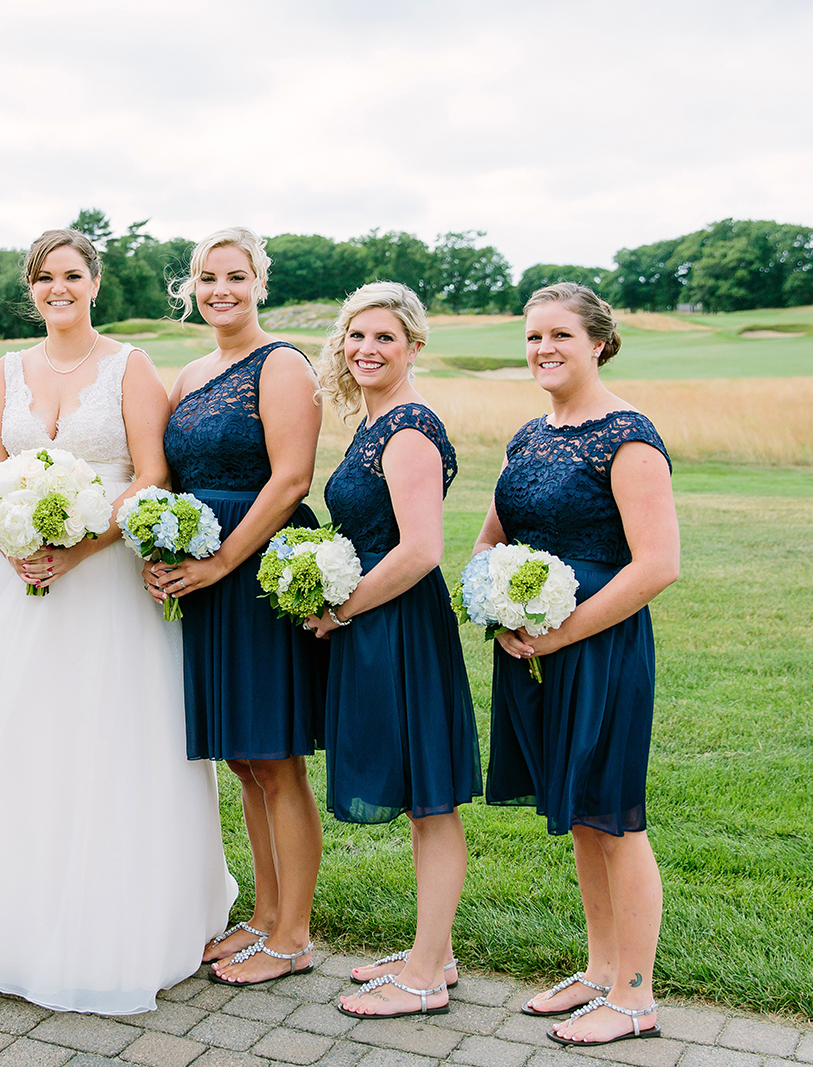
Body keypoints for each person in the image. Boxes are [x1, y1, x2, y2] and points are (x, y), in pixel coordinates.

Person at [0, 228, 236, 1015]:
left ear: (94, 282)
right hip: (11, 580)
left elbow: (152, 474)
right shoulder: (7, 370)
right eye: (44, 277)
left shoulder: (130, 366)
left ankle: (116, 917)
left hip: (104, 581)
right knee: (12, 737)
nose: (58, 288)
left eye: (72, 274)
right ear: (31, 289)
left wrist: (80, 545)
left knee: (106, 739)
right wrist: (12, 534)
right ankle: (3, 917)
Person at [472, 282, 678, 1046]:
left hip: (601, 649)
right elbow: (489, 542)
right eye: (533, 336)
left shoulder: (627, 437)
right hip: (534, 650)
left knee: (614, 816)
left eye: (560, 334)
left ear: (598, 341)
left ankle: (634, 996)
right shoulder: (527, 437)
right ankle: (599, 970)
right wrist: (497, 608)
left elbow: (657, 564)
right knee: (584, 818)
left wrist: (562, 634)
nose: (543, 348)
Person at [144, 228, 326, 985]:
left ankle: (294, 935)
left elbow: (290, 481)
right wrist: (159, 545)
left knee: (276, 758)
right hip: (202, 579)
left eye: (236, 276)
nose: (221, 290)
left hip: (253, 573)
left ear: (260, 283)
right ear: (192, 288)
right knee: (245, 760)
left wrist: (221, 560)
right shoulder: (189, 373)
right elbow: (166, 477)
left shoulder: (282, 364)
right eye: (208, 278)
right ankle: (263, 913)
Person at [304, 283, 480, 1017]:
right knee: (416, 795)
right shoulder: (372, 422)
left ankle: (428, 973)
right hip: (376, 623)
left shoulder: (408, 428)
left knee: (429, 799)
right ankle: (430, 952)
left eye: (385, 337)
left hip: (399, 623)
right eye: (357, 335)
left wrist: (341, 607)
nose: (367, 349)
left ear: (413, 346)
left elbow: (420, 549)